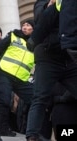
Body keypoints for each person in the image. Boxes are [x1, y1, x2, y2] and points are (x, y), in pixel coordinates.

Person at [25, 0, 77, 140]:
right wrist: (53, 4)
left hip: (68, 57)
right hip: (48, 56)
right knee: (40, 97)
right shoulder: (41, 3)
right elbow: (40, 19)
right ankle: (32, 136)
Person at [0, 20, 35, 141]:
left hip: (22, 79)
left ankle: (33, 134)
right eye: (24, 25)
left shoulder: (36, 43)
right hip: (5, 73)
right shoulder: (13, 35)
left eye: (28, 25)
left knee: (36, 100)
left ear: (34, 29)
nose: (25, 27)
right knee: (3, 100)